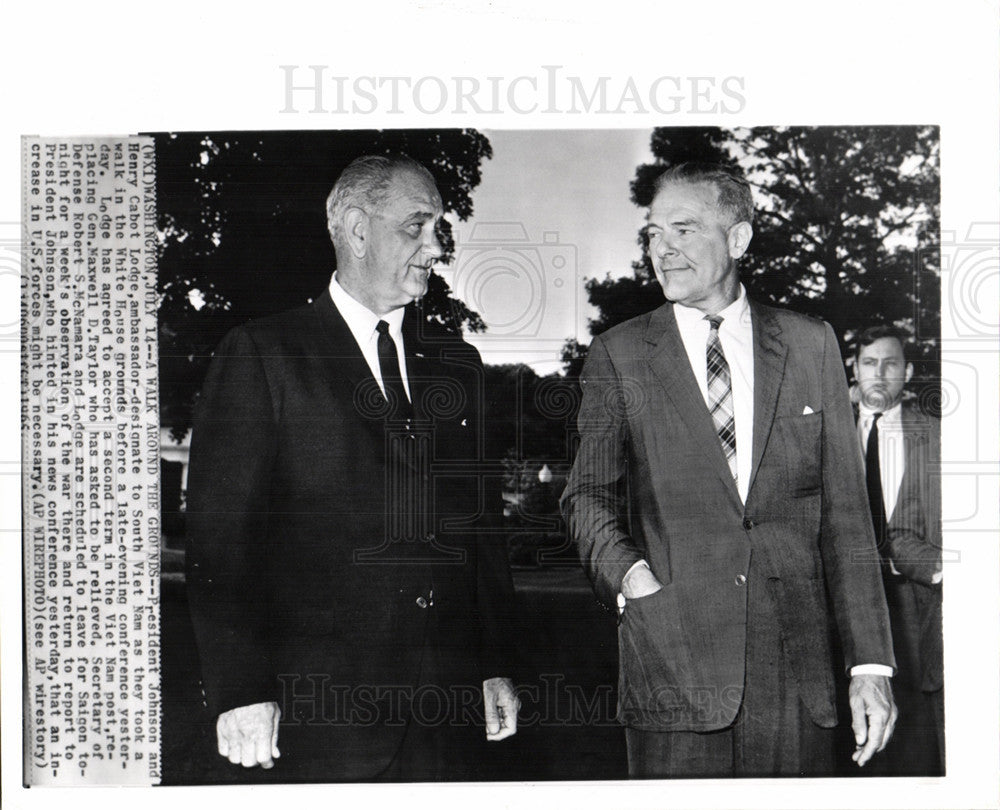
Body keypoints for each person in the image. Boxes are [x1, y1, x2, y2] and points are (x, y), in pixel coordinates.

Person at [185, 154, 519, 782]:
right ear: (359, 231)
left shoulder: (459, 365)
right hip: (322, 713)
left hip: (448, 708)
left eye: (439, 227)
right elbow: (221, 541)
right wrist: (239, 689)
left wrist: (492, 662)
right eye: (416, 226)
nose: (436, 246)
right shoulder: (263, 353)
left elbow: (482, 531)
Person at [560, 161, 897, 778]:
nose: (662, 249)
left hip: (797, 677)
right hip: (672, 660)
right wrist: (633, 579)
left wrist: (870, 665)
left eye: (682, 230)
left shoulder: (811, 343)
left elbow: (848, 516)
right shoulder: (622, 353)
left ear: (738, 238)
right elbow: (586, 498)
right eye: (653, 234)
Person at [854, 325, 943, 775]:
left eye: (890, 363)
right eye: (869, 363)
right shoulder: (829, 435)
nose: (879, 373)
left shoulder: (935, 436)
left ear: (906, 372)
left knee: (920, 715)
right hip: (850, 600)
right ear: (854, 369)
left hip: (915, 597)